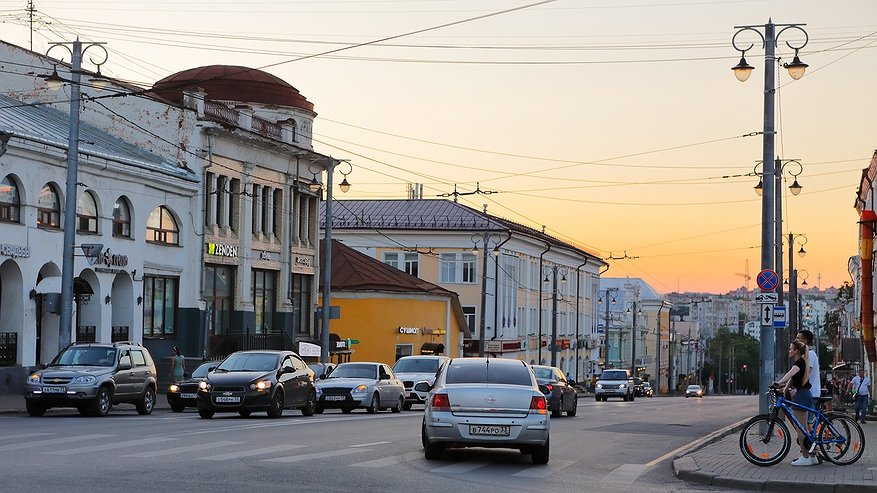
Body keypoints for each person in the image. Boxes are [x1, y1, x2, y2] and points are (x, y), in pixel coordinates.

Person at [773, 340, 815, 466]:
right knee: (803, 428)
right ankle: (813, 456)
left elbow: (789, 375)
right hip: (804, 395)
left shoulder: (799, 363)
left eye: (791, 349)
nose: (789, 351)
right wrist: (783, 389)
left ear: (796, 351)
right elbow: (792, 379)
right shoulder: (801, 362)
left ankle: (806, 457)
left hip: (802, 396)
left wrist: (778, 382)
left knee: (800, 429)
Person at [795, 330, 821, 401]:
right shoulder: (805, 355)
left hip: (810, 393)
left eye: (798, 338)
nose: (795, 340)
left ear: (805, 341)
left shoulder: (810, 354)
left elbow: (806, 374)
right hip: (807, 392)